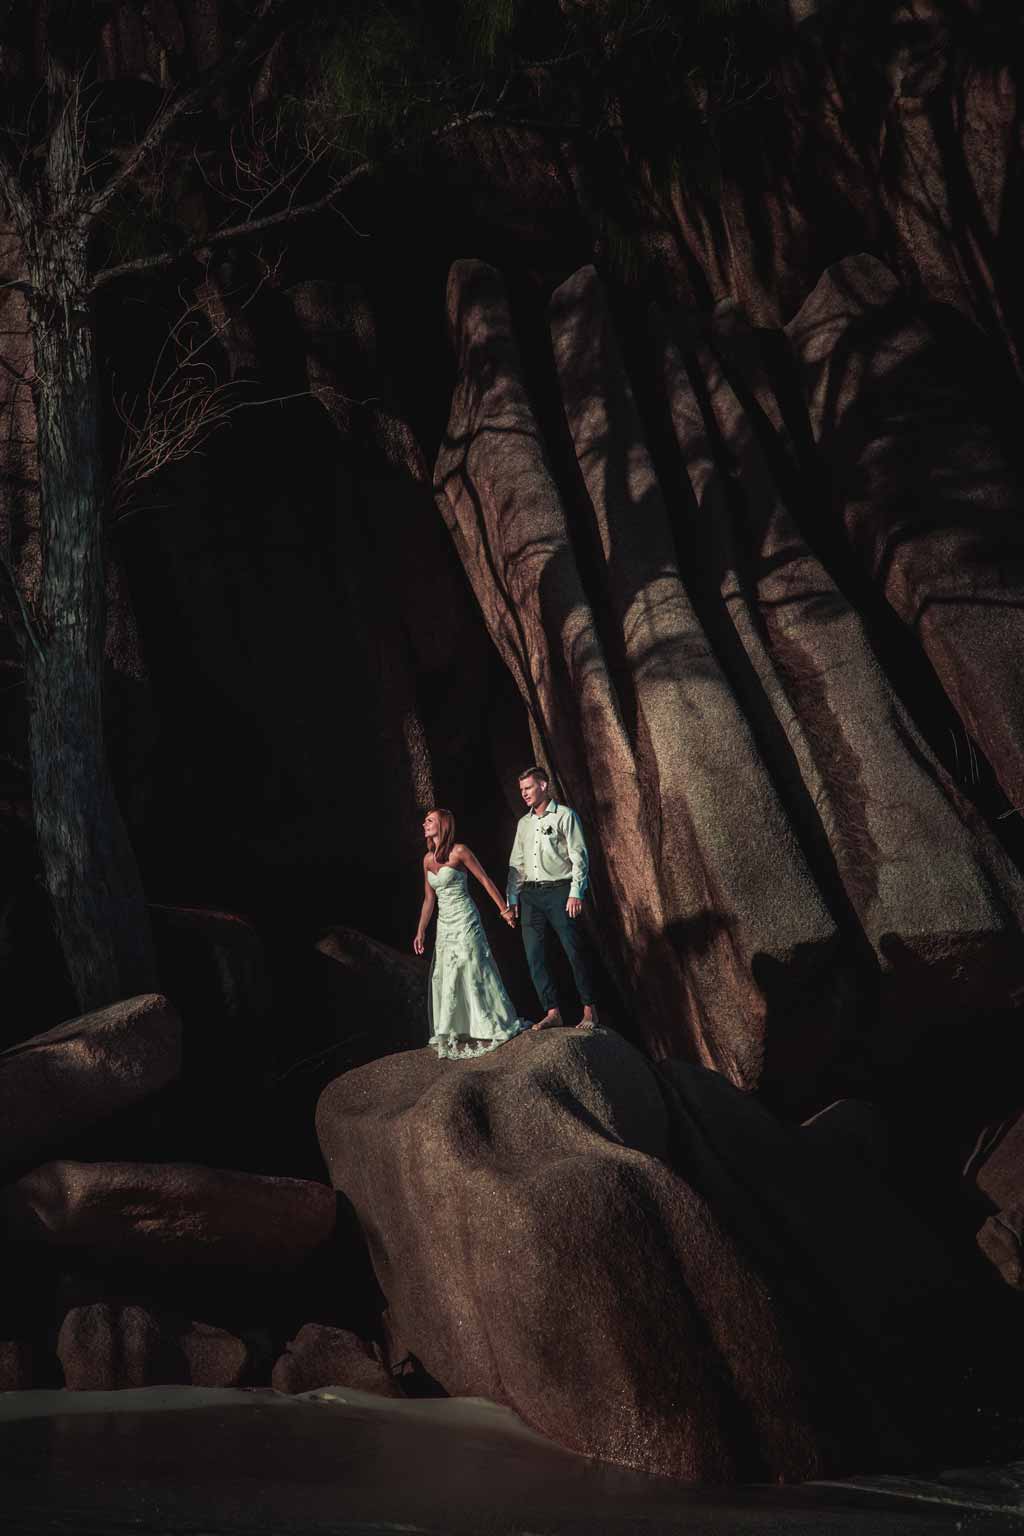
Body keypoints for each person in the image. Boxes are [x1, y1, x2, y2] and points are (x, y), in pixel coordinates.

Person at [414, 808, 531, 1060]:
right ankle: (460, 1028)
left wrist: (504, 910)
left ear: (443, 825)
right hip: (444, 925)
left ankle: (489, 1024)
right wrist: (421, 930)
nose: (425, 823)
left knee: (474, 966)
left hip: (466, 918)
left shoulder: (460, 851)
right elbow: (428, 899)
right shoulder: (426, 859)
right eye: (425, 821)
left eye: (430, 820)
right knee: (447, 973)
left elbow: (485, 880)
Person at [506, 766, 599, 1031]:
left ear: (543, 785)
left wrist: (575, 893)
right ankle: (552, 1011)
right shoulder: (523, 824)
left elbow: (579, 857)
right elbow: (517, 863)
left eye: (528, 788)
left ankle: (590, 1009)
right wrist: (512, 899)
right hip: (530, 896)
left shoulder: (565, 816)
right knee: (535, 955)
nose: (524, 793)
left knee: (574, 951)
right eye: (521, 789)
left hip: (560, 891)